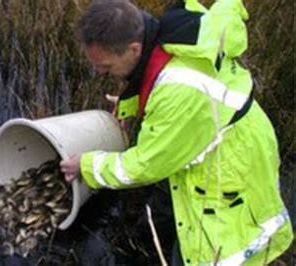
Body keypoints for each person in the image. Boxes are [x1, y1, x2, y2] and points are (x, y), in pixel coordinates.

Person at [59, 0, 294, 265]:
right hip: (220, 133)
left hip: (229, 165)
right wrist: (130, 106)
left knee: (209, 253)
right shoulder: (170, 34)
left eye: (106, 67)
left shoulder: (177, 93)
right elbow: (159, 78)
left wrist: (86, 165)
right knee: (165, 212)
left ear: (133, 49)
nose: (100, 72)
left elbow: (142, 166)